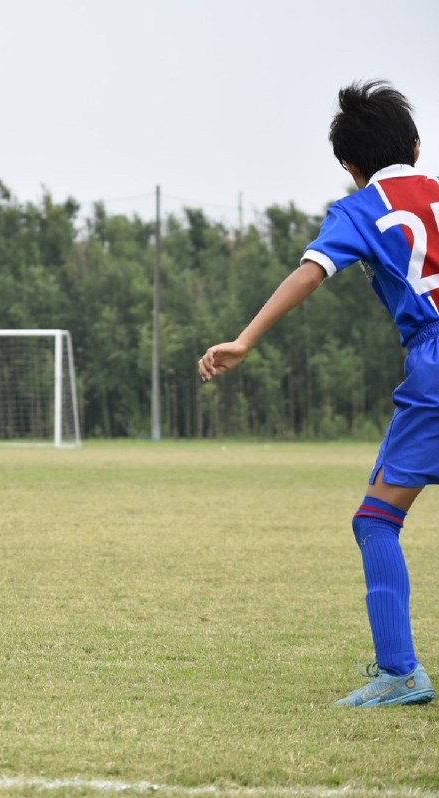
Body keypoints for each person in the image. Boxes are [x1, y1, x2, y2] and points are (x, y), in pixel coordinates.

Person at [198, 80, 437, 708]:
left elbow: (311, 273)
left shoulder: (359, 209)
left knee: (377, 519)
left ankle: (400, 672)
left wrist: (243, 340)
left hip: (436, 360)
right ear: (417, 147)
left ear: (349, 166)